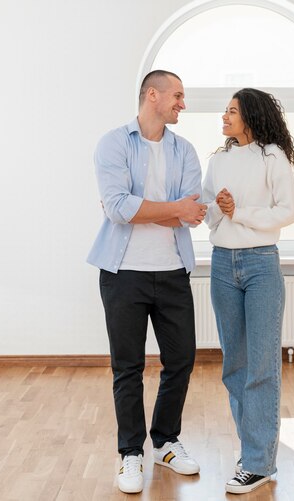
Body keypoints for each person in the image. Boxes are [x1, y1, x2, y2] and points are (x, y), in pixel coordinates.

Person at [88, 70, 206, 494]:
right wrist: (171, 207)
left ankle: (166, 441)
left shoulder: (185, 150)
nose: (182, 103)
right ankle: (130, 454)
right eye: (176, 95)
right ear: (151, 96)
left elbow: (191, 212)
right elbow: (119, 208)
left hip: (172, 270)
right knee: (128, 367)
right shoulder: (114, 143)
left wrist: (147, 208)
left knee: (182, 361)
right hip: (123, 274)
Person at [202, 88, 294, 494]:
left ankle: (259, 463)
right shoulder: (218, 160)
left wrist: (237, 210)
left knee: (261, 367)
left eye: (232, 111)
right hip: (223, 265)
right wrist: (217, 207)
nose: (225, 117)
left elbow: (288, 212)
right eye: (224, 111)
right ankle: (253, 451)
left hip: (260, 263)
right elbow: (208, 216)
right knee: (235, 367)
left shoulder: (272, 156)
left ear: (251, 117)